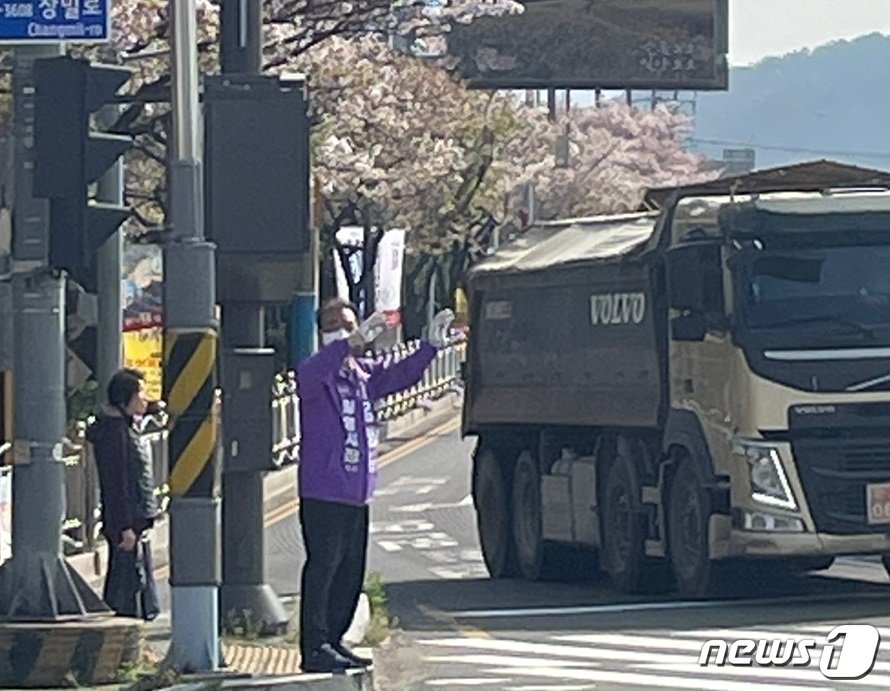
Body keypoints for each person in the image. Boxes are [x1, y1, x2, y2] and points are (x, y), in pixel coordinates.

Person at [297, 298, 454, 673]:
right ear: (322, 332)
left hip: (356, 491)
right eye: (336, 324)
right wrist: (344, 346)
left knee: (350, 571)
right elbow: (310, 372)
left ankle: (334, 639)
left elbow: (400, 374)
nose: (346, 330)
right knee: (324, 567)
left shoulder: (362, 374)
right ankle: (314, 644)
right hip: (324, 490)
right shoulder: (318, 372)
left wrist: (429, 346)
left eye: (350, 324)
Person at [86, 367, 161, 621]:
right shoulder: (116, 434)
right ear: (124, 399)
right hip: (126, 522)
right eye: (140, 392)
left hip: (133, 519)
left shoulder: (124, 427)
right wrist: (125, 525)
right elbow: (117, 483)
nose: (145, 397)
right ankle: (123, 634)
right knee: (126, 584)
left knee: (131, 579)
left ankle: (128, 630)